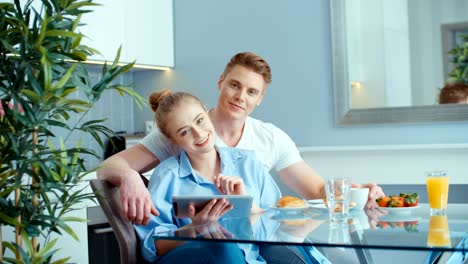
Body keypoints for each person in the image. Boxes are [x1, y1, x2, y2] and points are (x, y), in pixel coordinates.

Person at [97, 51, 385, 226]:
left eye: (251, 91)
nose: (240, 96)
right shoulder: (185, 131)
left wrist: (357, 191)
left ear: (260, 98)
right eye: (234, 85)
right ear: (221, 82)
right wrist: (131, 177)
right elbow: (107, 167)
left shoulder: (270, 139)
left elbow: (316, 189)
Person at [134, 89, 329, 263]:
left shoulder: (249, 163)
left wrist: (248, 208)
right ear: (172, 140)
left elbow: (271, 231)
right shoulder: (167, 176)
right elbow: (152, 246)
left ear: (206, 112)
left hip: (246, 259)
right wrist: (195, 229)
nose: (199, 133)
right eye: (185, 132)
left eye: (200, 120)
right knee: (224, 246)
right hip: (189, 258)